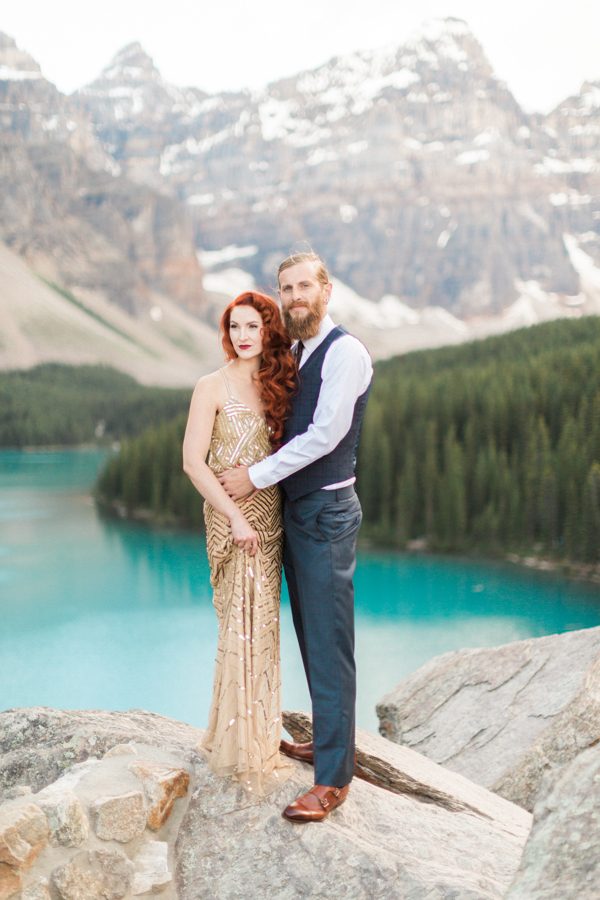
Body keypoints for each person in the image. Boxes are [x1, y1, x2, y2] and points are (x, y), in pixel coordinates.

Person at [220, 251, 373, 822]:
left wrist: (253, 477)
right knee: (313, 633)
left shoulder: (346, 352)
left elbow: (326, 434)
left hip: (328, 512)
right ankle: (330, 740)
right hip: (301, 512)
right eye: (286, 289)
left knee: (331, 644)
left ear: (326, 289)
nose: (295, 297)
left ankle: (333, 779)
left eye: (304, 285)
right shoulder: (299, 352)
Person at [182, 291, 296, 796]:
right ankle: (234, 746)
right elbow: (193, 462)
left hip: (270, 518)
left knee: (263, 626)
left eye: (253, 327)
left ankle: (260, 741)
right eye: (235, 327)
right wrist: (233, 518)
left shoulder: (279, 383)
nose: (243, 336)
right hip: (232, 519)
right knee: (238, 624)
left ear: (268, 331)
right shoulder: (211, 385)